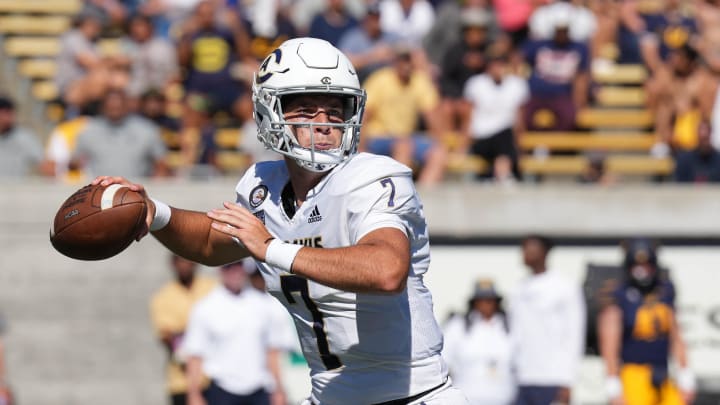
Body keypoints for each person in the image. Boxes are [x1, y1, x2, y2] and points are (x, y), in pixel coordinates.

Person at [93, 37, 468, 404]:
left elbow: (387, 270)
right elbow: (209, 242)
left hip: (414, 395)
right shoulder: (263, 186)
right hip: (329, 394)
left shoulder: (371, 178)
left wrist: (273, 248)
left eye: (335, 109)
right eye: (305, 108)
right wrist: (153, 212)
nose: (324, 123)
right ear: (269, 113)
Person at [597, 239, 696, 405]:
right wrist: (613, 384)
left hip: (663, 373)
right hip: (633, 374)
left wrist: (685, 374)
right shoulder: (619, 295)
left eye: (647, 265)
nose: (642, 271)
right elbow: (610, 346)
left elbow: (675, 336)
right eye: (636, 266)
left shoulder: (664, 291)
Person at [181, 260, 292, 405]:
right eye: (228, 266)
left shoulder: (264, 304)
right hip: (222, 390)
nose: (234, 271)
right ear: (220, 270)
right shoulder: (205, 307)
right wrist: (193, 394)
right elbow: (195, 355)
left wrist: (279, 389)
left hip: (259, 389)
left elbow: (272, 352)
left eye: (238, 265)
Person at [509, 235, 586, 405]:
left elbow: (574, 334)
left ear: (544, 252)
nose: (526, 254)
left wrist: (568, 381)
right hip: (523, 377)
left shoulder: (564, 286)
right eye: (524, 249)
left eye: (531, 249)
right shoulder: (519, 288)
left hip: (553, 378)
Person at [150, 254, 216, 405]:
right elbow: (166, 335)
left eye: (188, 262)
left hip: (215, 378)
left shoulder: (212, 288)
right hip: (181, 380)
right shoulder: (163, 297)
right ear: (173, 265)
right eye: (181, 262)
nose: (185, 267)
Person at [443, 279, 515, 405]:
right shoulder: (458, 326)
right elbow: (443, 361)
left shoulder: (510, 326)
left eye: (490, 300)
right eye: (481, 300)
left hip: (504, 398)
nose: (486, 304)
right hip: (467, 398)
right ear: (474, 302)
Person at [71, 89, 170, 179]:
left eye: (118, 107)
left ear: (127, 105)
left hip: (136, 191)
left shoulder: (147, 129)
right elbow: (74, 163)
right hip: (99, 191)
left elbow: (161, 163)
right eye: (111, 107)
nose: (115, 110)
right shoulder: (88, 130)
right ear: (103, 107)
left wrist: (155, 189)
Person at [0, 96, 44, 178]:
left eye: (8, 113)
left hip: (15, 189)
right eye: (3, 114)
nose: (5, 118)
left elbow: (43, 164)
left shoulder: (24, 137)